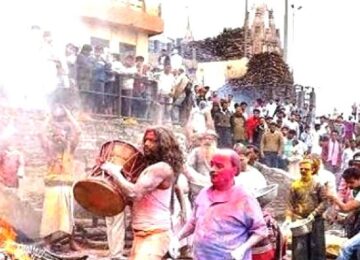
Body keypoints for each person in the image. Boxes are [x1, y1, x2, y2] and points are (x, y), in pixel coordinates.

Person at [101, 126, 184, 260]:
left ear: (164, 145)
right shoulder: (151, 168)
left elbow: (134, 194)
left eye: (152, 141)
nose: (146, 144)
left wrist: (115, 172)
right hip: (142, 234)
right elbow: (135, 199)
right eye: (145, 140)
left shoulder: (161, 168)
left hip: (154, 234)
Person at [169, 149, 268, 260]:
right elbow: (193, 222)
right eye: (212, 165)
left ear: (234, 170)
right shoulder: (204, 193)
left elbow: (261, 231)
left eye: (219, 166)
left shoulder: (243, 198)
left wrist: (242, 249)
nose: (212, 170)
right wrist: (177, 238)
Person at [39, 104, 81, 250]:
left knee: (69, 218)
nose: (59, 138)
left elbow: (78, 131)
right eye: (56, 136)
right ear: (53, 138)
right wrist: (50, 117)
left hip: (67, 188)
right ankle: (47, 243)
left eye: (62, 136)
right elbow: (41, 133)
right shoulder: (49, 151)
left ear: (65, 137)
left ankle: (71, 242)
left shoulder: (70, 150)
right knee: (49, 217)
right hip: (52, 188)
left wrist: (69, 115)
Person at [284, 159, 327, 260]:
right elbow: (290, 203)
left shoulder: (318, 184)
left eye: (306, 169)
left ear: (312, 170)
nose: (303, 171)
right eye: (301, 169)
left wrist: (314, 213)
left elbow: (325, 202)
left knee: (317, 249)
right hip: (300, 221)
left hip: (316, 221)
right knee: (300, 250)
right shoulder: (295, 185)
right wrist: (288, 218)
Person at [326, 167, 360, 260]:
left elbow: (346, 208)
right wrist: (344, 219)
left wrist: (334, 197)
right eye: (347, 182)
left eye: (351, 182)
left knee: (346, 247)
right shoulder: (355, 190)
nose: (349, 185)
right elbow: (354, 209)